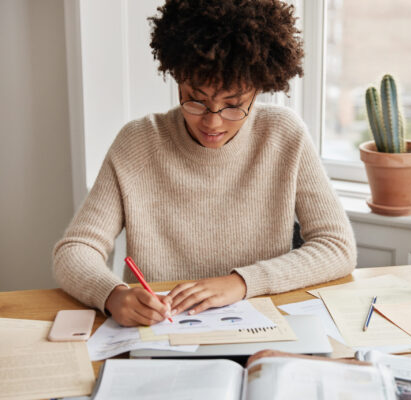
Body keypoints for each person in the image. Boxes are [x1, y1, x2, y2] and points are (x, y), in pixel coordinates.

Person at [53, 0, 356, 327]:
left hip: (259, 331)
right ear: (177, 78)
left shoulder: (283, 134)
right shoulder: (138, 142)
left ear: (259, 89)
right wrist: (112, 294)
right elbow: (75, 250)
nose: (212, 123)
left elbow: (336, 247)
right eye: (196, 100)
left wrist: (241, 283)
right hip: (160, 334)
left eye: (233, 105)